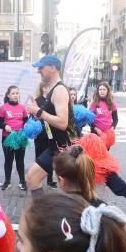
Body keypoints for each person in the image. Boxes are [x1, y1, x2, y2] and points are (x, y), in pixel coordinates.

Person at [25, 55, 76, 194]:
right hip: (55, 147)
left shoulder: (59, 90)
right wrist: (38, 111)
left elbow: (62, 123)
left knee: (69, 189)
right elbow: (50, 119)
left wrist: (39, 111)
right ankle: (44, 212)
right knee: (32, 178)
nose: (38, 71)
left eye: (41, 67)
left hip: (65, 148)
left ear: (53, 68)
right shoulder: (53, 89)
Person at [0, 85, 29, 191]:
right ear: (8, 95)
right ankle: (7, 181)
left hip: (20, 138)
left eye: (17, 93)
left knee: (20, 160)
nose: (15, 95)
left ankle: (22, 182)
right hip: (8, 137)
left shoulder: (22, 107)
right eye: (13, 93)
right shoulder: (3, 108)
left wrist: (27, 126)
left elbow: (25, 120)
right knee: (8, 160)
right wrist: (5, 126)